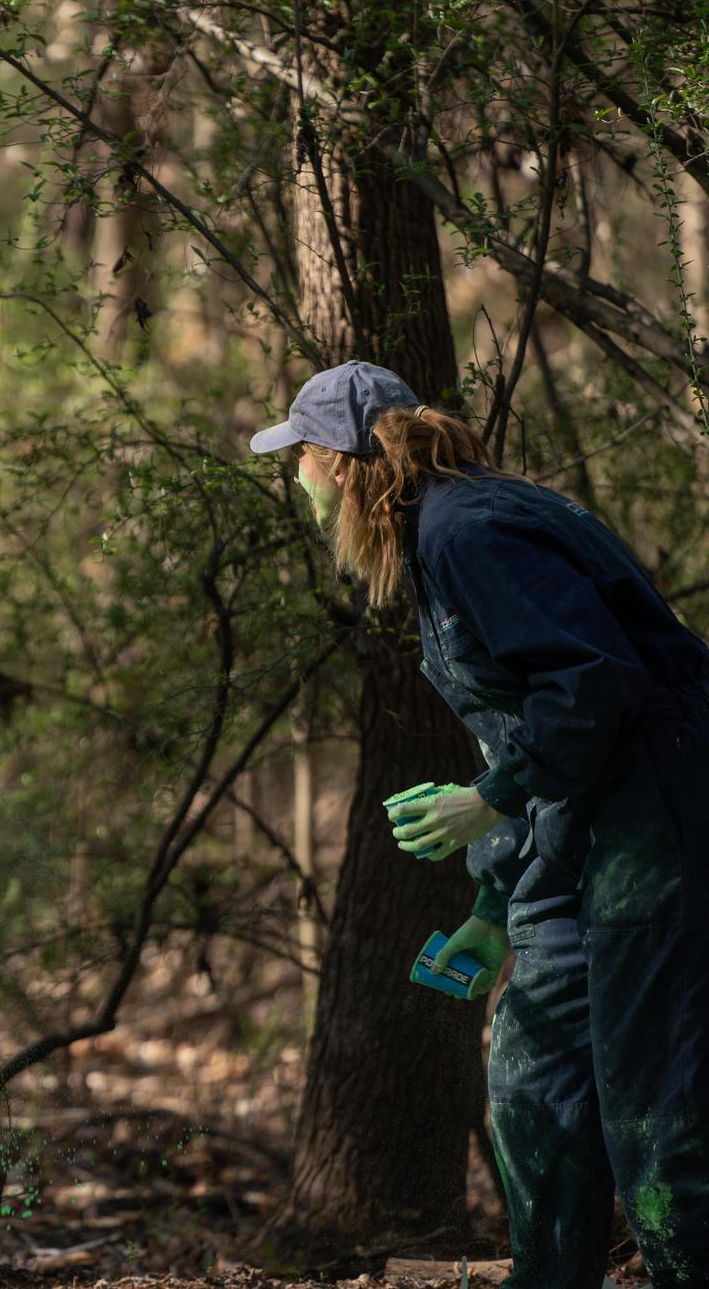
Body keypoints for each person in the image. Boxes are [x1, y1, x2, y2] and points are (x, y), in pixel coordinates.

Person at [253, 361, 709, 1287]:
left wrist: (489, 801)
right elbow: (523, 725)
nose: (293, 472)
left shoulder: (473, 529)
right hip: (580, 840)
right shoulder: (437, 534)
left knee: (652, 1117)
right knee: (532, 1095)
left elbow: (594, 686)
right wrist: (496, 904)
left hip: (659, 836)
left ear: (340, 462)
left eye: (298, 452)